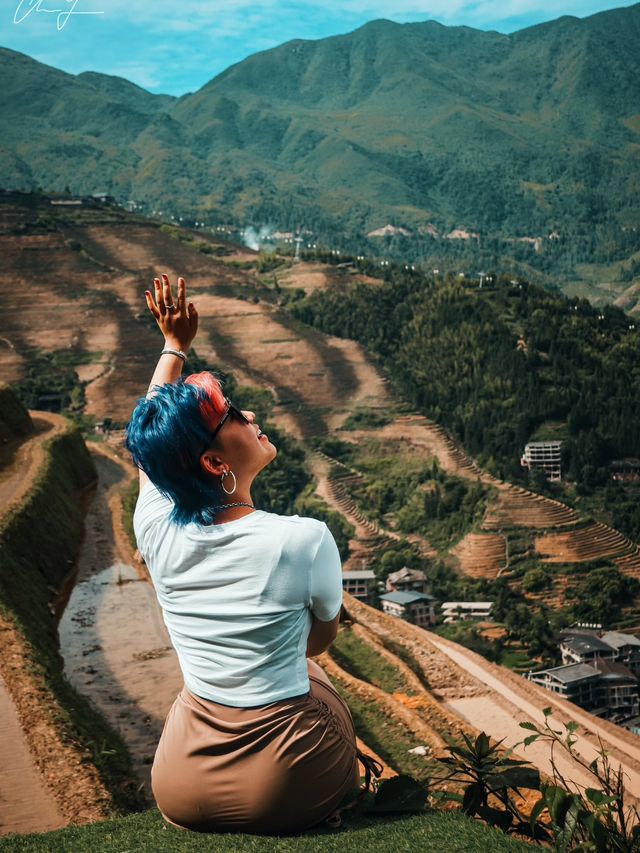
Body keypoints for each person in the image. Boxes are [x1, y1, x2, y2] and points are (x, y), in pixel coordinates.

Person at [124, 273, 382, 835]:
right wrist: (175, 346)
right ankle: (336, 793)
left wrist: (173, 347)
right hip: (280, 785)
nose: (252, 418)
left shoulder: (153, 527)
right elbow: (318, 641)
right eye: (235, 417)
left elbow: (151, 451)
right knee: (317, 680)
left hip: (180, 785)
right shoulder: (302, 538)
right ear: (216, 464)